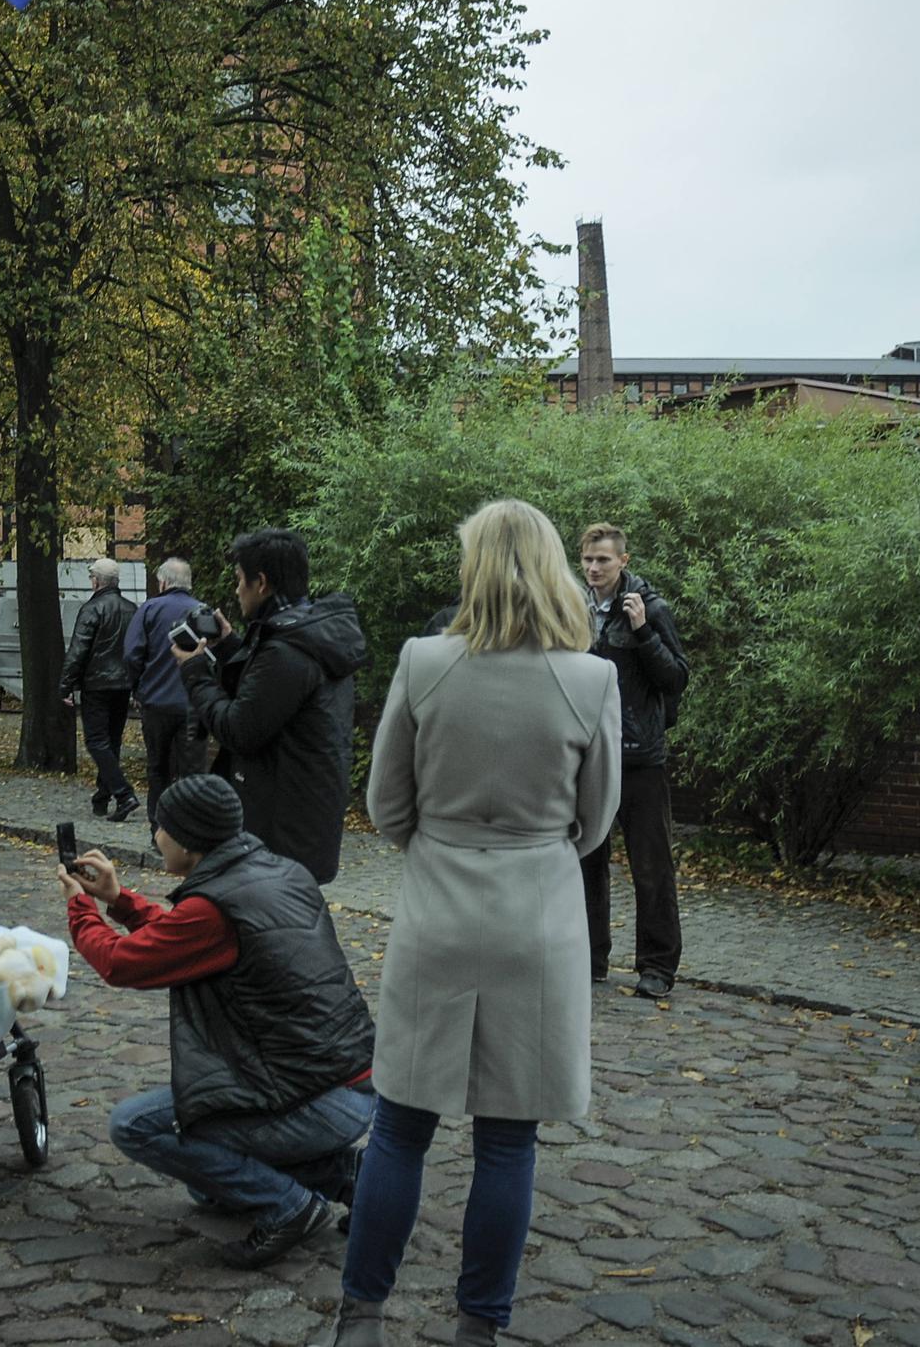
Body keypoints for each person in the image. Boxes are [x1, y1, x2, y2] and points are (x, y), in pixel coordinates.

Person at [331, 499, 621, 1347]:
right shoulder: (590, 676)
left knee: (402, 1124)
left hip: (438, 912)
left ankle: (362, 1316)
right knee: (507, 1140)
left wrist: (447, 844)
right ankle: (477, 1328)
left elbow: (386, 802)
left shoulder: (425, 663)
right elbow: (596, 821)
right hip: (539, 918)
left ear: (477, 567)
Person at [61, 774, 375, 1269]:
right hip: (346, 1082)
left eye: (160, 827)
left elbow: (121, 964)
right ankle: (350, 1174)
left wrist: (81, 909)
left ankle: (290, 1206)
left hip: (315, 1097)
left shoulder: (215, 907)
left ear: (187, 840)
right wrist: (119, 900)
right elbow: (182, 935)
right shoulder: (276, 871)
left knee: (138, 1127)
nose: (155, 836)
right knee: (205, 1185)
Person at [174, 529, 366, 884]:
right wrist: (230, 646)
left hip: (279, 829)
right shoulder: (310, 634)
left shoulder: (287, 651)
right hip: (302, 819)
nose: (236, 590)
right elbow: (268, 698)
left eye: (239, 580)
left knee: (265, 932)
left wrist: (194, 672)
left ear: (260, 582)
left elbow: (239, 729)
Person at [576, 523, 689, 999]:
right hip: (586, 755)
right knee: (586, 862)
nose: (594, 568)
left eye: (603, 560)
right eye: (587, 560)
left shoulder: (648, 607)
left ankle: (657, 966)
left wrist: (643, 632)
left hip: (639, 756)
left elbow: (676, 677)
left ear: (623, 561)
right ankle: (588, 958)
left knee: (651, 866)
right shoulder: (572, 606)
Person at [123, 555, 210, 826]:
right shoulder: (203, 611)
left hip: (156, 702)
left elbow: (131, 654)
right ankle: (190, 829)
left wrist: (137, 688)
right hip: (193, 704)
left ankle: (158, 829)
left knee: (158, 768)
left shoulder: (149, 610)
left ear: (162, 582)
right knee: (192, 772)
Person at [62, 557, 140, 822]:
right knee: (112, 741)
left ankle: (123, 793)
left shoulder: (92, 609)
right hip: (123, 685)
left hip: (96, 684)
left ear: (96, 581)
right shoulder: (132, 609)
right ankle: (102, 798)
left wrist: (66, 686)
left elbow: (78, 650)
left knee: (96, 741)